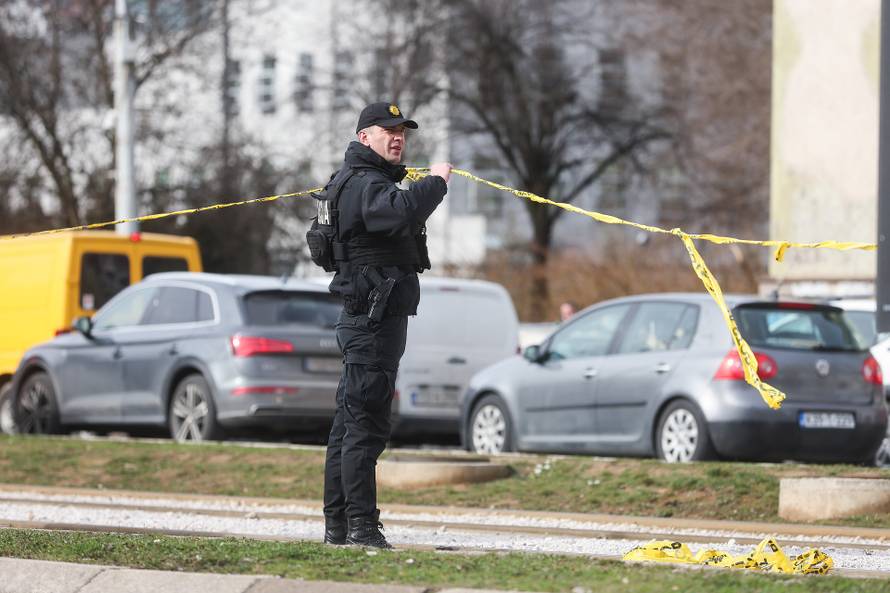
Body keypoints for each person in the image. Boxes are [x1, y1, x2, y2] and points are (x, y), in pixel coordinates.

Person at [320, 102, 451, 549]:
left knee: (348, 424)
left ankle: (339, 527)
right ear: (364, 138)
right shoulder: (365, 184)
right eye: (387, 131)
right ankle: (361, 527)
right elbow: (400, 213)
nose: (398, 138)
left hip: (366, 318)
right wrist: (435, 182)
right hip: (372, 322)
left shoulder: (351, 182)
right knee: (365, 425)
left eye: (402, 132)